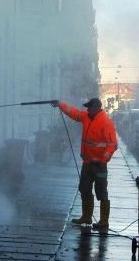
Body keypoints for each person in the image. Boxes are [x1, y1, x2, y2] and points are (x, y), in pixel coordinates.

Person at [52, 97, 117, 229]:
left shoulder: (106, 122)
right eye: (87, 107)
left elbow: (112, 145)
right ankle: (86, 217)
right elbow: (74, 113)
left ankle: (104, 221)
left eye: (89, 107)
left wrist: (103, 160)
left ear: (97, 107)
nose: (87, 109)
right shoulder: (87, 117)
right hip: (87, 163)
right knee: (84, 189)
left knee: (101, 192)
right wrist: (60, 104)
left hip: (99, 165)